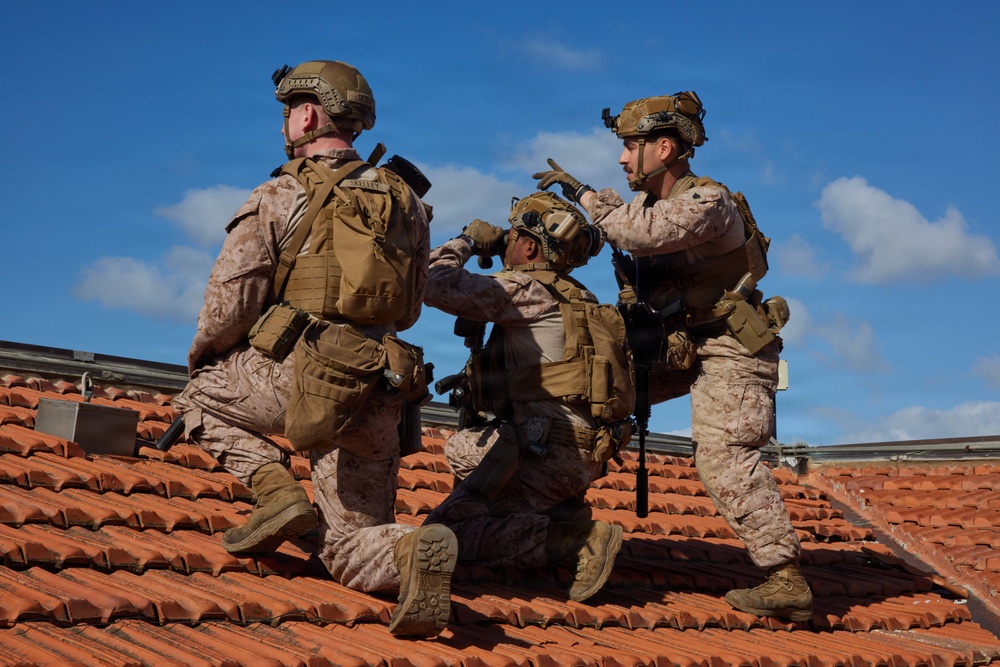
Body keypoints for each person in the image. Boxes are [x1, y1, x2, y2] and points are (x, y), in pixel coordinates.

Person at [170, 60, 456, 638]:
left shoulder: (279, 192)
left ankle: (277, 495)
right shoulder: (409, 203)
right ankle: (409, 550)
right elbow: (414, 300)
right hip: (379, 384)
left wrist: (206, 360)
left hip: (295, 372)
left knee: (199, 399)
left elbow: (233, 298)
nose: (284, 125)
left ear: (306, 113)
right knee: (349, 543)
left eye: (287, 114)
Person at [532, 92, 812, 622]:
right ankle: (560, 514)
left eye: (629, 146)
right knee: (591, 399)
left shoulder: (709, 202)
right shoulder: (649, 202)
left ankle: (785, 578)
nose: (621, 158)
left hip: (730, 344)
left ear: (665, 148)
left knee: (721, 450)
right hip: (674, 342)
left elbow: (638, 234)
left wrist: (586, 195)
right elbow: (628, 227)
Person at [422, 192, 634, 603]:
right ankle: (556, 511)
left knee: (446, 532)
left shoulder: (526, 290)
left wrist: (467, 240)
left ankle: (572, 540)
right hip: (585, 454)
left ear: (530, 246)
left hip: (546, 452)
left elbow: (431, 283)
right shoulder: (584, 302)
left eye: (512, 238)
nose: (505, 247)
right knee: (471, 452)